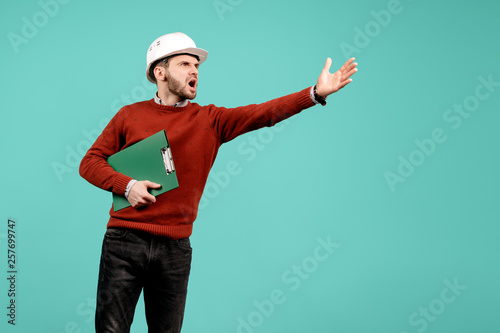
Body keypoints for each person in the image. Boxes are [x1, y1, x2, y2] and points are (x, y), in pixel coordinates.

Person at [79, 32, 357, 333]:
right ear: (160, 72)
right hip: (123, 243)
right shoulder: (128, 116)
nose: (194, 70)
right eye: (185, 63)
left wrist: (315, 93)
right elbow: (89, 162)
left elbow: (262, 113)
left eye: (196, 65)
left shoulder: (211, 121)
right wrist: (127, 186)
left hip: (175, 250)